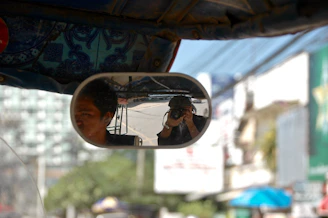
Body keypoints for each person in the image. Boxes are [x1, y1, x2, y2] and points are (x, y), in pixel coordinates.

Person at [74, 79, 135, 146]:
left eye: (85, 114)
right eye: (73, 115)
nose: (77, 122)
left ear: (106, 118)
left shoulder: (131, 143)